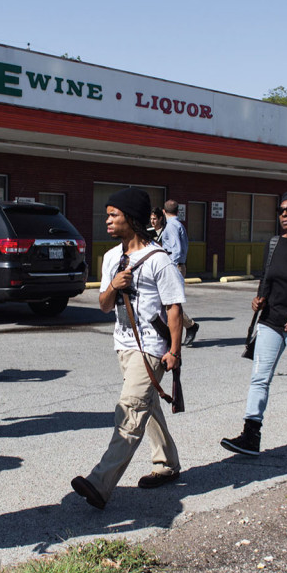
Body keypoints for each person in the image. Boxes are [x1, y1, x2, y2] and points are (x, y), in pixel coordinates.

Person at [71, 188, 184, 510]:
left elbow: (174, 308)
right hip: (123, 345)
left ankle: (100, 482)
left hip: (151, 347)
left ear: (131, 219)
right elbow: (104, 305)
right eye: (107, 215)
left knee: (131, 409)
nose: (106, 220)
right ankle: (167, 465)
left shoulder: (159, 260)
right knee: (146, 406)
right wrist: (113, 286)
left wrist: (174, 351)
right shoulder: (110, 258)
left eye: (113, 215)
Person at [220, 189, 287, 456]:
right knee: (259, 377)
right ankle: (251, 433)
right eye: (281, 211)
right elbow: (267, 278)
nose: (284, 215)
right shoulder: (275, 243)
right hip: (271, 321)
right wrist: (259, 298)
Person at [160, 200, 201, 346]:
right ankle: (186, 327)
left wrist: (169, 266)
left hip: (174, 266)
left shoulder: (171, 226)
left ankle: (189, 326)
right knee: (168, 303)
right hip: (178, 265)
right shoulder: (178, 225)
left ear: (164, 212)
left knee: (170, 304)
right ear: (178, 212)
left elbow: (176, 249)